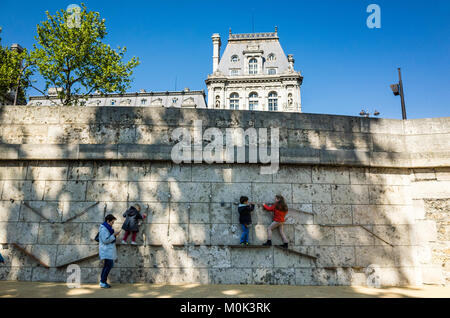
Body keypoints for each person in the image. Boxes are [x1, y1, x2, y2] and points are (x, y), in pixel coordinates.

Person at [99, 214, 121, 288]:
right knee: (108, 265)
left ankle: (102, 281)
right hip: (106, 250)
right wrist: (114, 235)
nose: (112, 224)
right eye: (112, 222)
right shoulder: (104, 229)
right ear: (108, 221)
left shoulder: (107, 228)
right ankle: (102, 282)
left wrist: (114, 235)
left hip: (107, 250)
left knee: (107, 266)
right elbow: (105, 240)